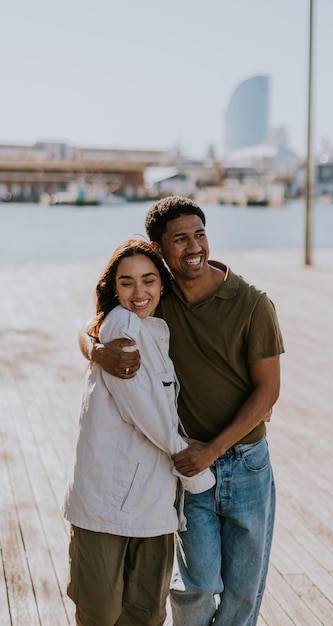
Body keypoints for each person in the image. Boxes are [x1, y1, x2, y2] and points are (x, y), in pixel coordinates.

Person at [80, 196, 285, 626]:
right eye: (180, 239)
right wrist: (98, 352)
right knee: (195, 586)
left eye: (200, 234)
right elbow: (92, 326)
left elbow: (267, 395)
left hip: (244, 464)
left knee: (243, 593)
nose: (194, 247)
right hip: (185, 466)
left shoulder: (252, 303)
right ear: (159, 248)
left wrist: (212, 451)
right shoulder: (157, 296)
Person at [64, 238, 215, 626]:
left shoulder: (154, 329)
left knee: (147, 613)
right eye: (127, 282)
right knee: (102, 614)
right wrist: (196, 468)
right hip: (106, 502)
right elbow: (147, 413)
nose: (139, 292)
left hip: (153, 503)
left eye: (148, 280)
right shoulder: (122, 327)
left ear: (161, 284)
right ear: (114, 287)